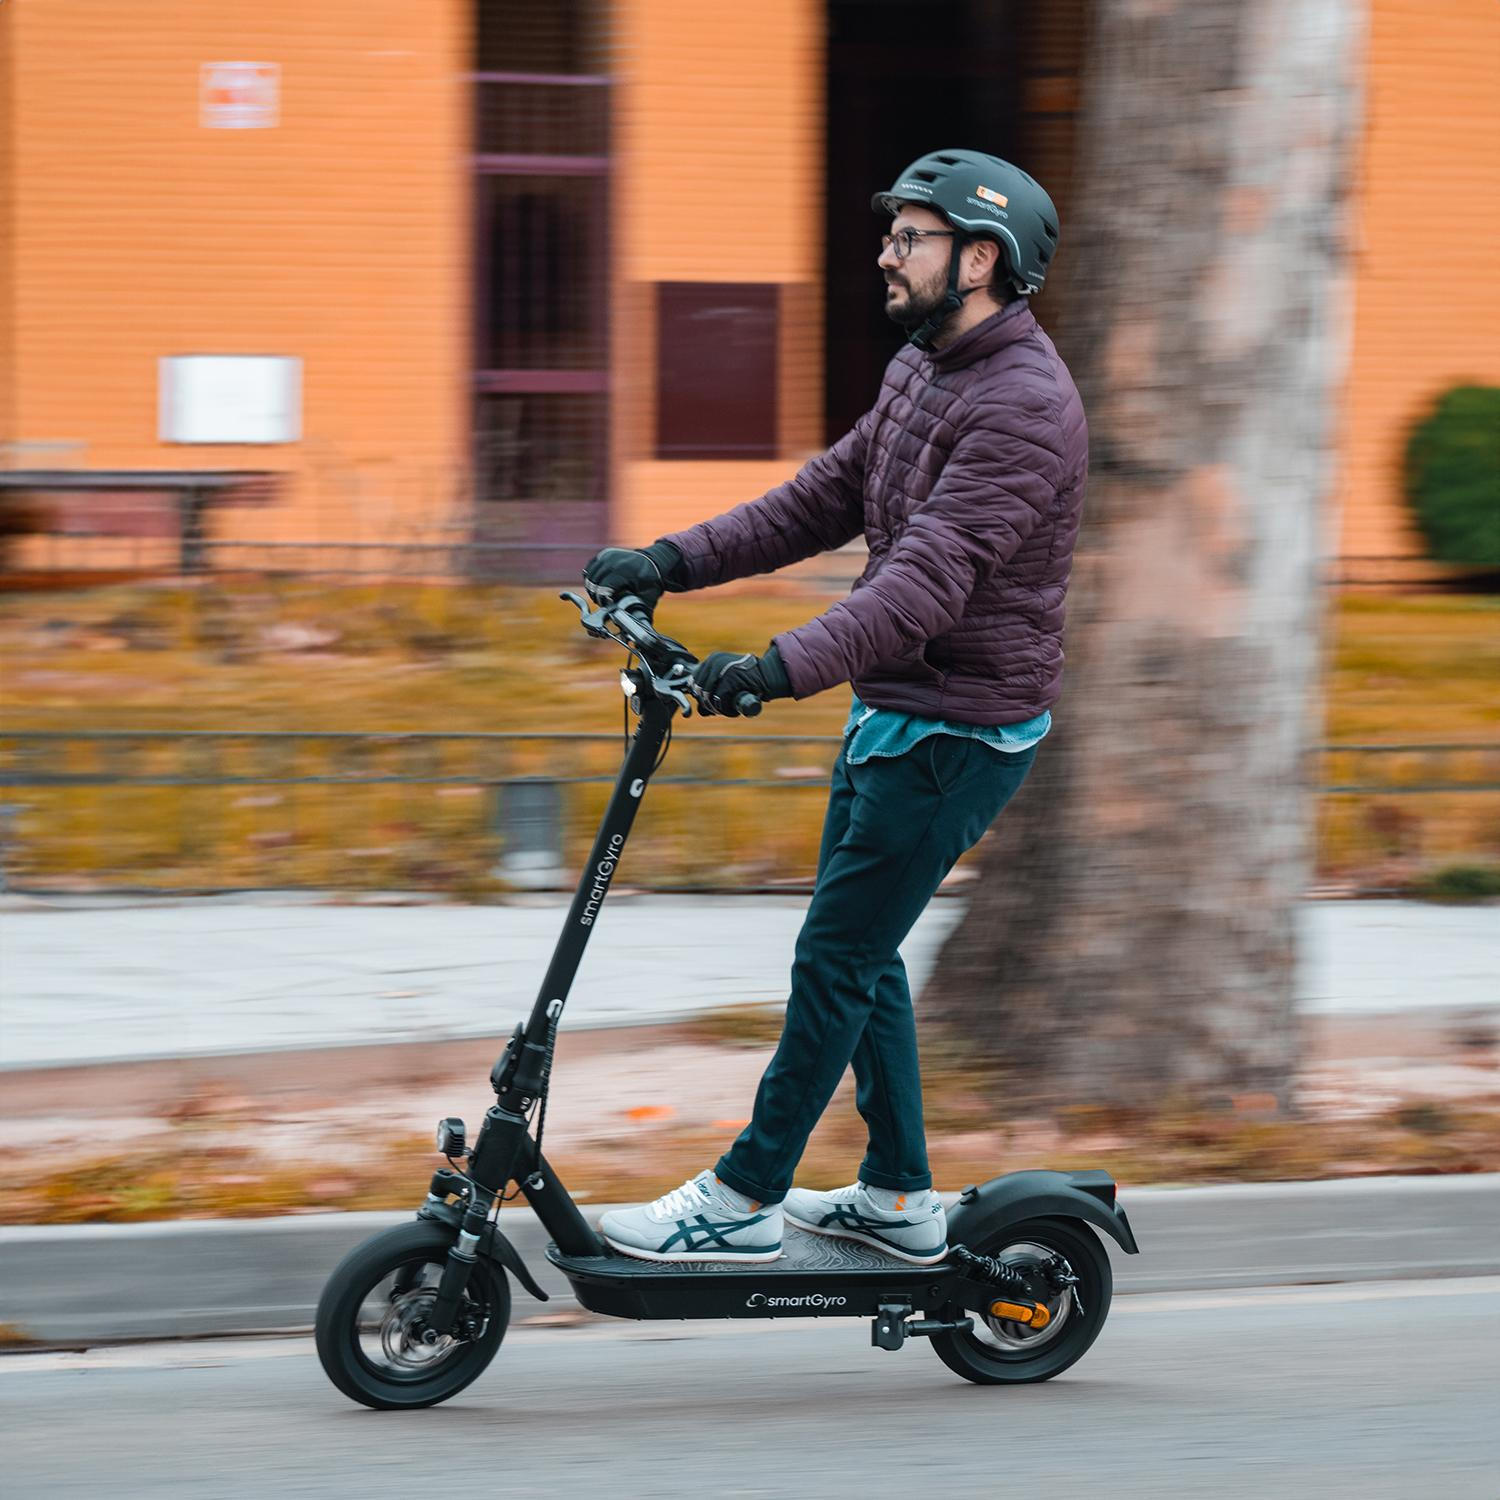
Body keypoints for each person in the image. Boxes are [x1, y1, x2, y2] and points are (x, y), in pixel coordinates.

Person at [583, 148, 1087, 1265]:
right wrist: (669, 559)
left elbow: (930, 579)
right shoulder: (927, 366)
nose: (885, 253)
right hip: (898, 710)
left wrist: (773, 667)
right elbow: (828, 495)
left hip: (958, 733)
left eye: (909, 236)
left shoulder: (1025, 407)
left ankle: (743, 1195)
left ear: (981, 257)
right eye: (894, 234)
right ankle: (902, 1196)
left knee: (836, 958)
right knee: (866, 953)